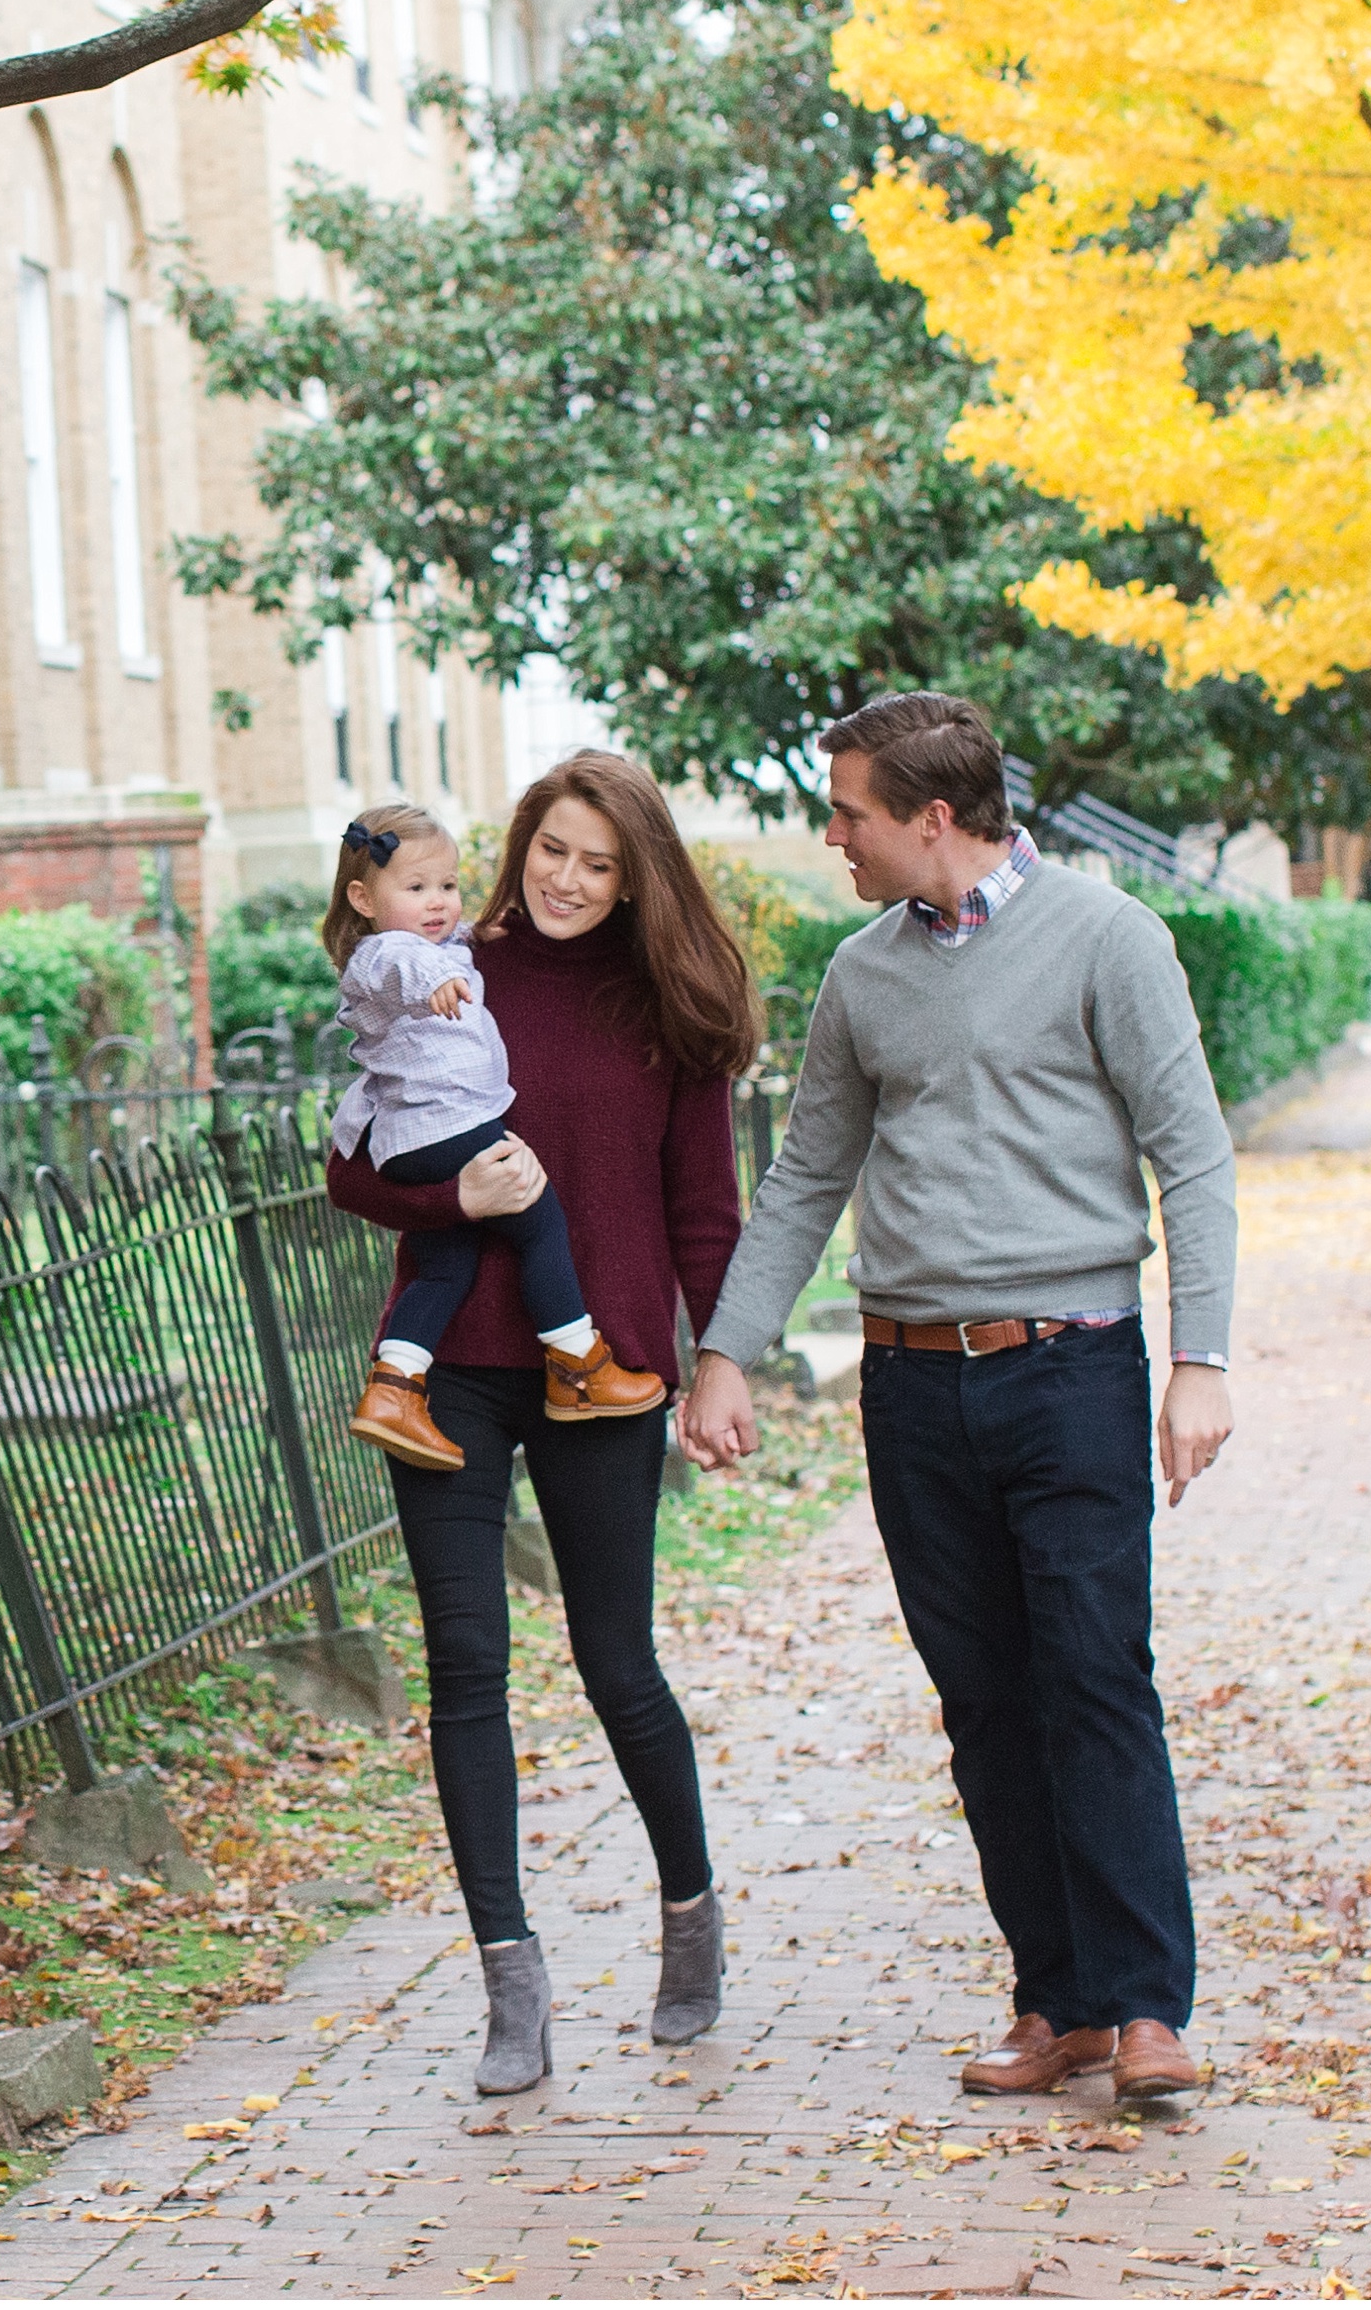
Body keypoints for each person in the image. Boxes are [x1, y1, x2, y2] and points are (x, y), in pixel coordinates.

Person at [681, 691, 1235, 2109]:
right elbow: (807, 1174)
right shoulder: (865, 974)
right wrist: (731, 1349)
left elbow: (1193, 1152)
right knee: (986, 1700)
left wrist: (1202, 1360)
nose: (835, 835)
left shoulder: (1111, 939)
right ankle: (1058, 2001)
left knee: (1096, 1675)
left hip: (1074, 1365)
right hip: (915, 1385)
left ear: (933, 817)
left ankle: (1147, 2003)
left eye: (851, 810)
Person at [326, 754, 759, 2091]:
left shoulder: (672, 1006)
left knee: (616, 1660)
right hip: (451, 1364)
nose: (568, 878)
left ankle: (690, 1916)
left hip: (605, 1367)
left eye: (600, 860)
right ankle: (510, 1981)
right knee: (467, 1664)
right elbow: (354, 1164)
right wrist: (457, 1205)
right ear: (521, 850)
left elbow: (703, 1208)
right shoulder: (444, 958)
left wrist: (719, 1356)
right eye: (552, 850)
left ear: (637, 872)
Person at [324, 803, 663, 1471]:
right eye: (416, 888)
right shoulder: (389, 954)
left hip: (418, 1137)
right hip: (447, 1124)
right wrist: (440, 979)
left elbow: (453, 947)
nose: (437, 903)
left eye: (447, 886)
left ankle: (395, 1387)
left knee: (445, 1265)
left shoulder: (444, 945)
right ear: (362, 899)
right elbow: (402, 968)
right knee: (539, 1222)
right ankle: (576, 1361)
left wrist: (471, 943)